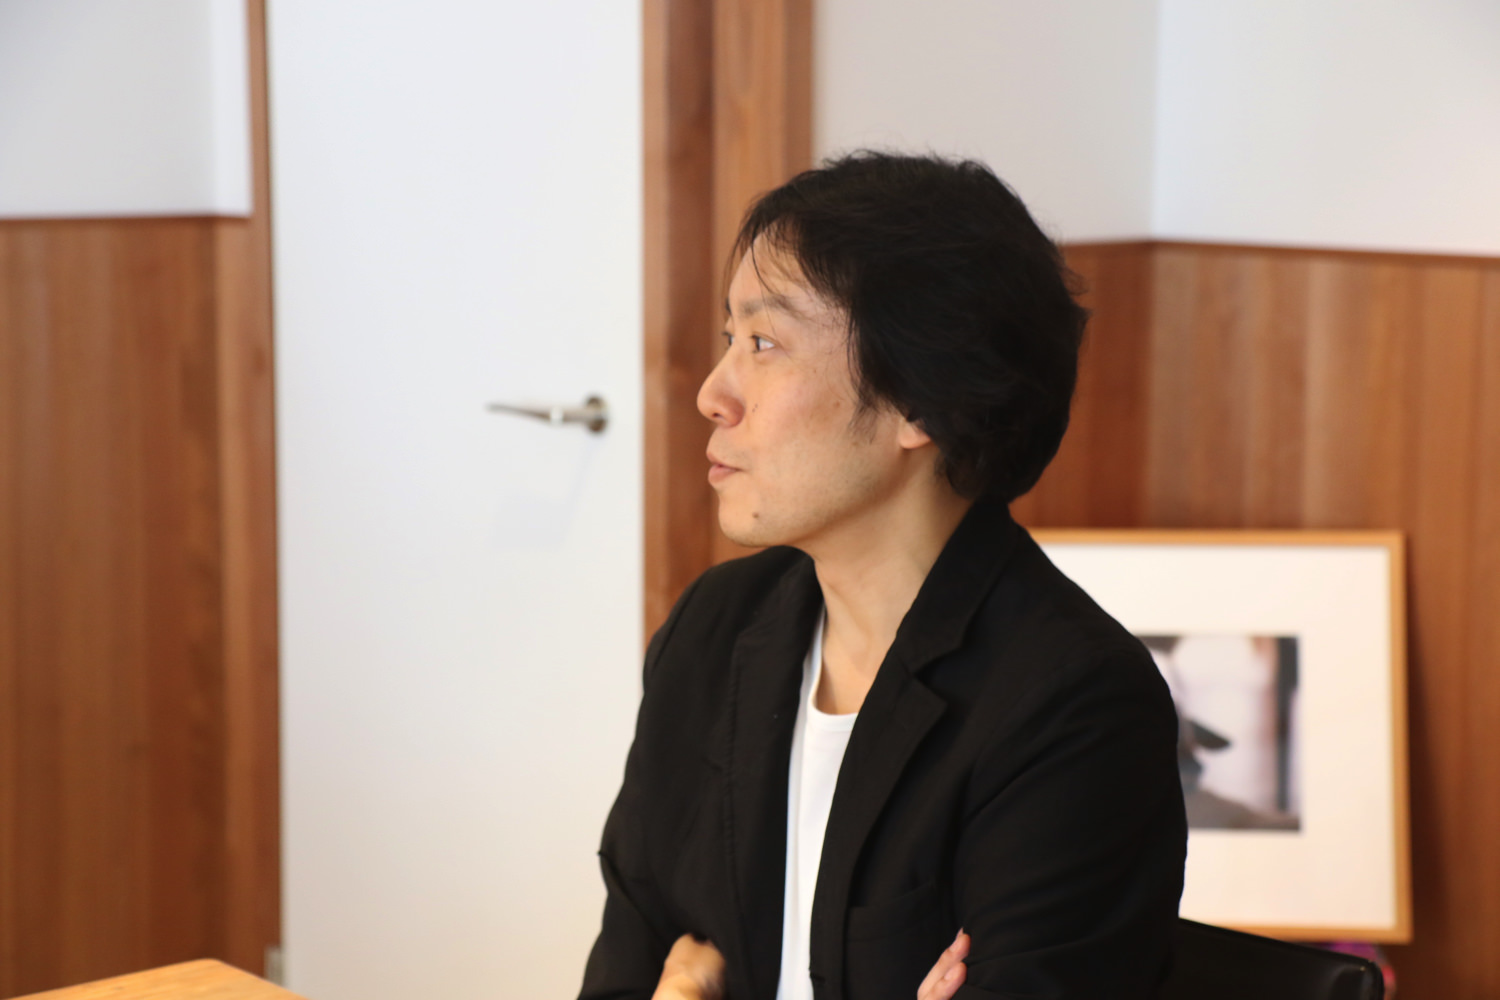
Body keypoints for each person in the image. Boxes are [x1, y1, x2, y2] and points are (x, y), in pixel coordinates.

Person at [578, 152, 1186, 1000]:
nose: (715, 393)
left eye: (764, 343)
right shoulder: (717, 629)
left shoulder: (1071, 707)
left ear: (920, 402)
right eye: (729, 340)